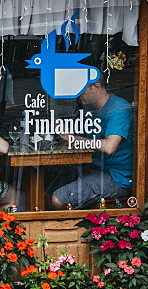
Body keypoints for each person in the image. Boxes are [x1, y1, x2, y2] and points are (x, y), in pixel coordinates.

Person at [49, 78, 134, 210]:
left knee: (58, 199)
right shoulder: (89, 109)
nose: (76, 95)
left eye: (80, 90)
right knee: (46, 185)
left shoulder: (118, 109)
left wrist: (71, 138)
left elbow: (109, 147)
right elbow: (82, 137)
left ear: (96, 86)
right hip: (93, 167)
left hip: (117, 176)